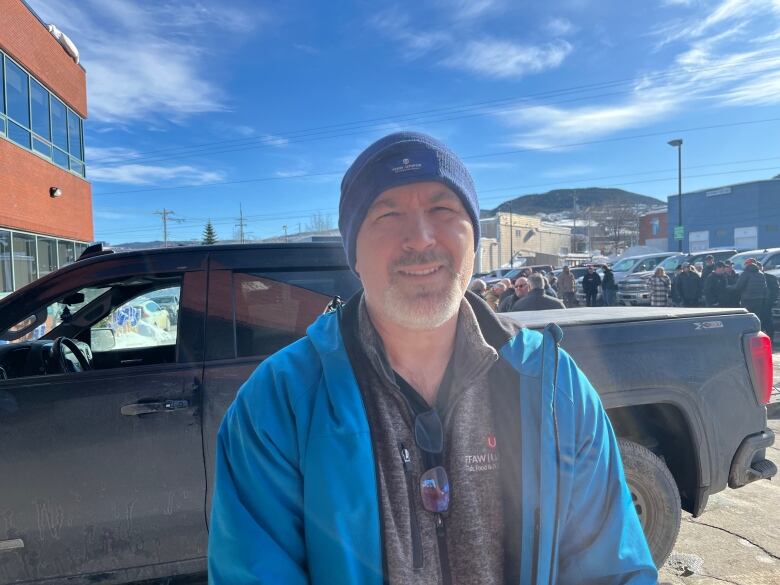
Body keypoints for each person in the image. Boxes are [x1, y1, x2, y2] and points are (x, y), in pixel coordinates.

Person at [208, 131, 656, 584]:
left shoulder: (556, 390)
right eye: (387, 214)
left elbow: (612, 570)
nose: (420, 238)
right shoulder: (277, 406)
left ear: (474, 241)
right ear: (353, 253)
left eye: (443, 210)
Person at [729, 258, 768, 323]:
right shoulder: (761, 274)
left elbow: (738, 286)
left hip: (747, 300)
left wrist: (728, 287)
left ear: (747, 265)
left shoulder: (746, 273)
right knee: (756, 318)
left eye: (745, 264)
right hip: (759, 300)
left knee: (746, 318)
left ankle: (747, 332)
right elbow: (765, 288)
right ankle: (756, 331)